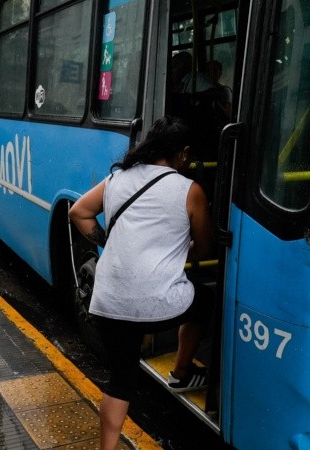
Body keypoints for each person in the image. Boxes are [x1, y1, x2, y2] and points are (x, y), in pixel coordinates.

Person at [69, 116, 213, 450]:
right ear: (183, 154)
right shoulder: (190, 190)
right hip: (156, 306)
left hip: (106, 302)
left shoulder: (117, 179)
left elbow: (78, 212)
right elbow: (205, 248)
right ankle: (180, 373)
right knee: (204, 302)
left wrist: (108, 241)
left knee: (121, 381)